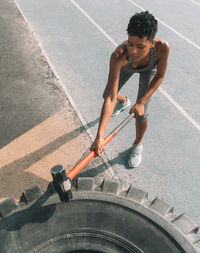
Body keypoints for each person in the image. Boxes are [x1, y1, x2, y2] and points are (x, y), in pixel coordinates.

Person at [91, 11, 170, 167]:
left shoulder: (162, 48)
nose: (133, 51)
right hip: (127, 67)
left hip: (149, 70)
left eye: (140, 47)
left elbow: (159, 76)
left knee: (141, 115)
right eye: (130, 44)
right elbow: (110, 98)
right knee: (107, 93)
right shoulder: (118, 56)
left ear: (152, 43)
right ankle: (124, 102)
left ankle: (137, 144)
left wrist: (141, 101)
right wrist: (99, 136)